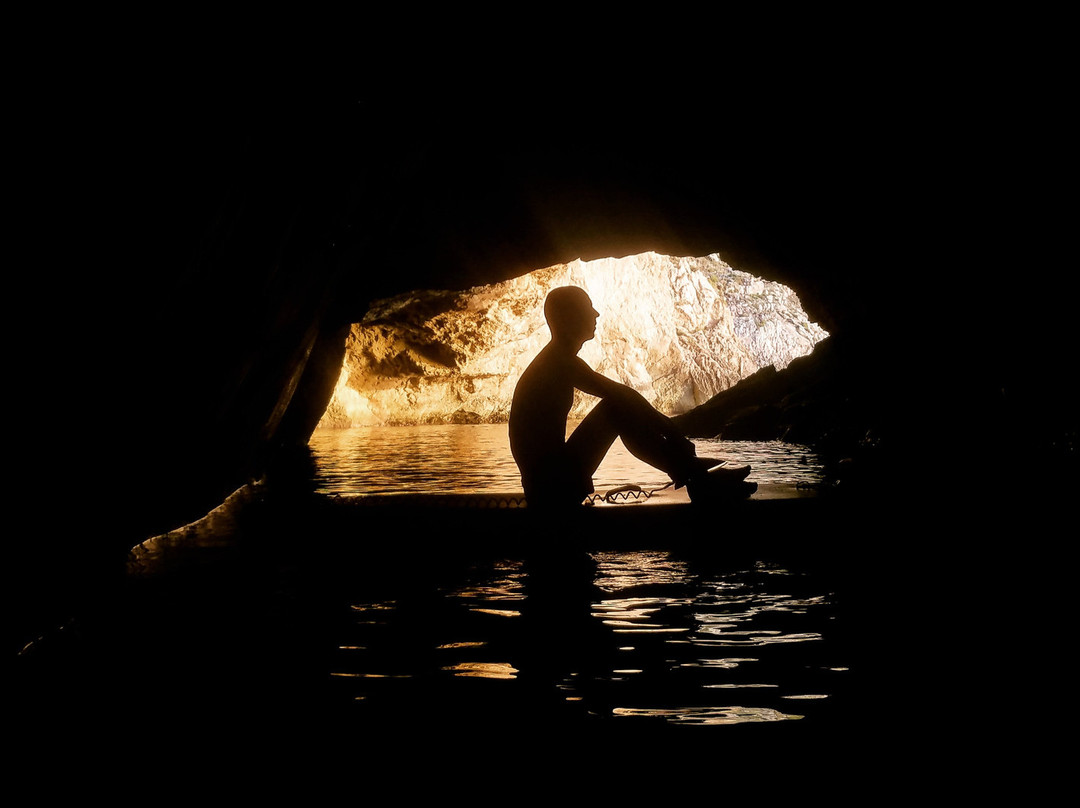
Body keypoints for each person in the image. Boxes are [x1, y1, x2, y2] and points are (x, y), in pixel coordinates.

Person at [508, 285, 752, 508]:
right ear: (568, 318)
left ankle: (695, 476)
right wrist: (672, 431)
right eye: (587, 308)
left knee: (618, 406)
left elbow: (624, 395)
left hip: (546, 486)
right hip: (552, 490)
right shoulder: (559, 363)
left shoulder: (554, 361)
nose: (596, 314)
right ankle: (696, 476)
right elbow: (622, 395)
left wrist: (670, 430)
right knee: (616, 408)